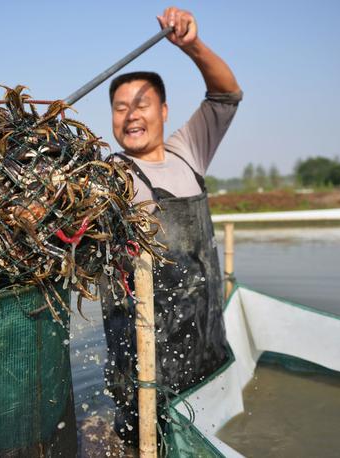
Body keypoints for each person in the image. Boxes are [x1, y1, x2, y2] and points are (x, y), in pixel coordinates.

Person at [100, 6, 243, 449]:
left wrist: (192, 46)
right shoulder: (107, 176)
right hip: (143, 350)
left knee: (210, 434)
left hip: (204, 335)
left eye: (141, 104)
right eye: (120, 108)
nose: (130, 115)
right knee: (149, 441)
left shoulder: (188, 151)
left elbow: (227, 95)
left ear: (163, 109)